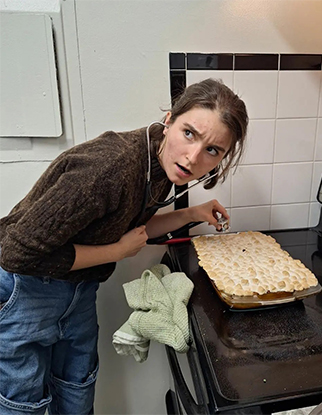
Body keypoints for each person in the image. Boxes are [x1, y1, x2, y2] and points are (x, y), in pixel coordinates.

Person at [0, 78, 248, 415]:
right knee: (21, 405)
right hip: (25, 290)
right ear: (170, 120)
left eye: (212, 150)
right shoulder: (109, 170)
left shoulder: (161, 165)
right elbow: (15, 252)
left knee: (77, 392)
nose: (193, 158)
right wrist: (116, 252)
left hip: (79, 288)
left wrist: (192, 213)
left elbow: (135, 228)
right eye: (189, 133)